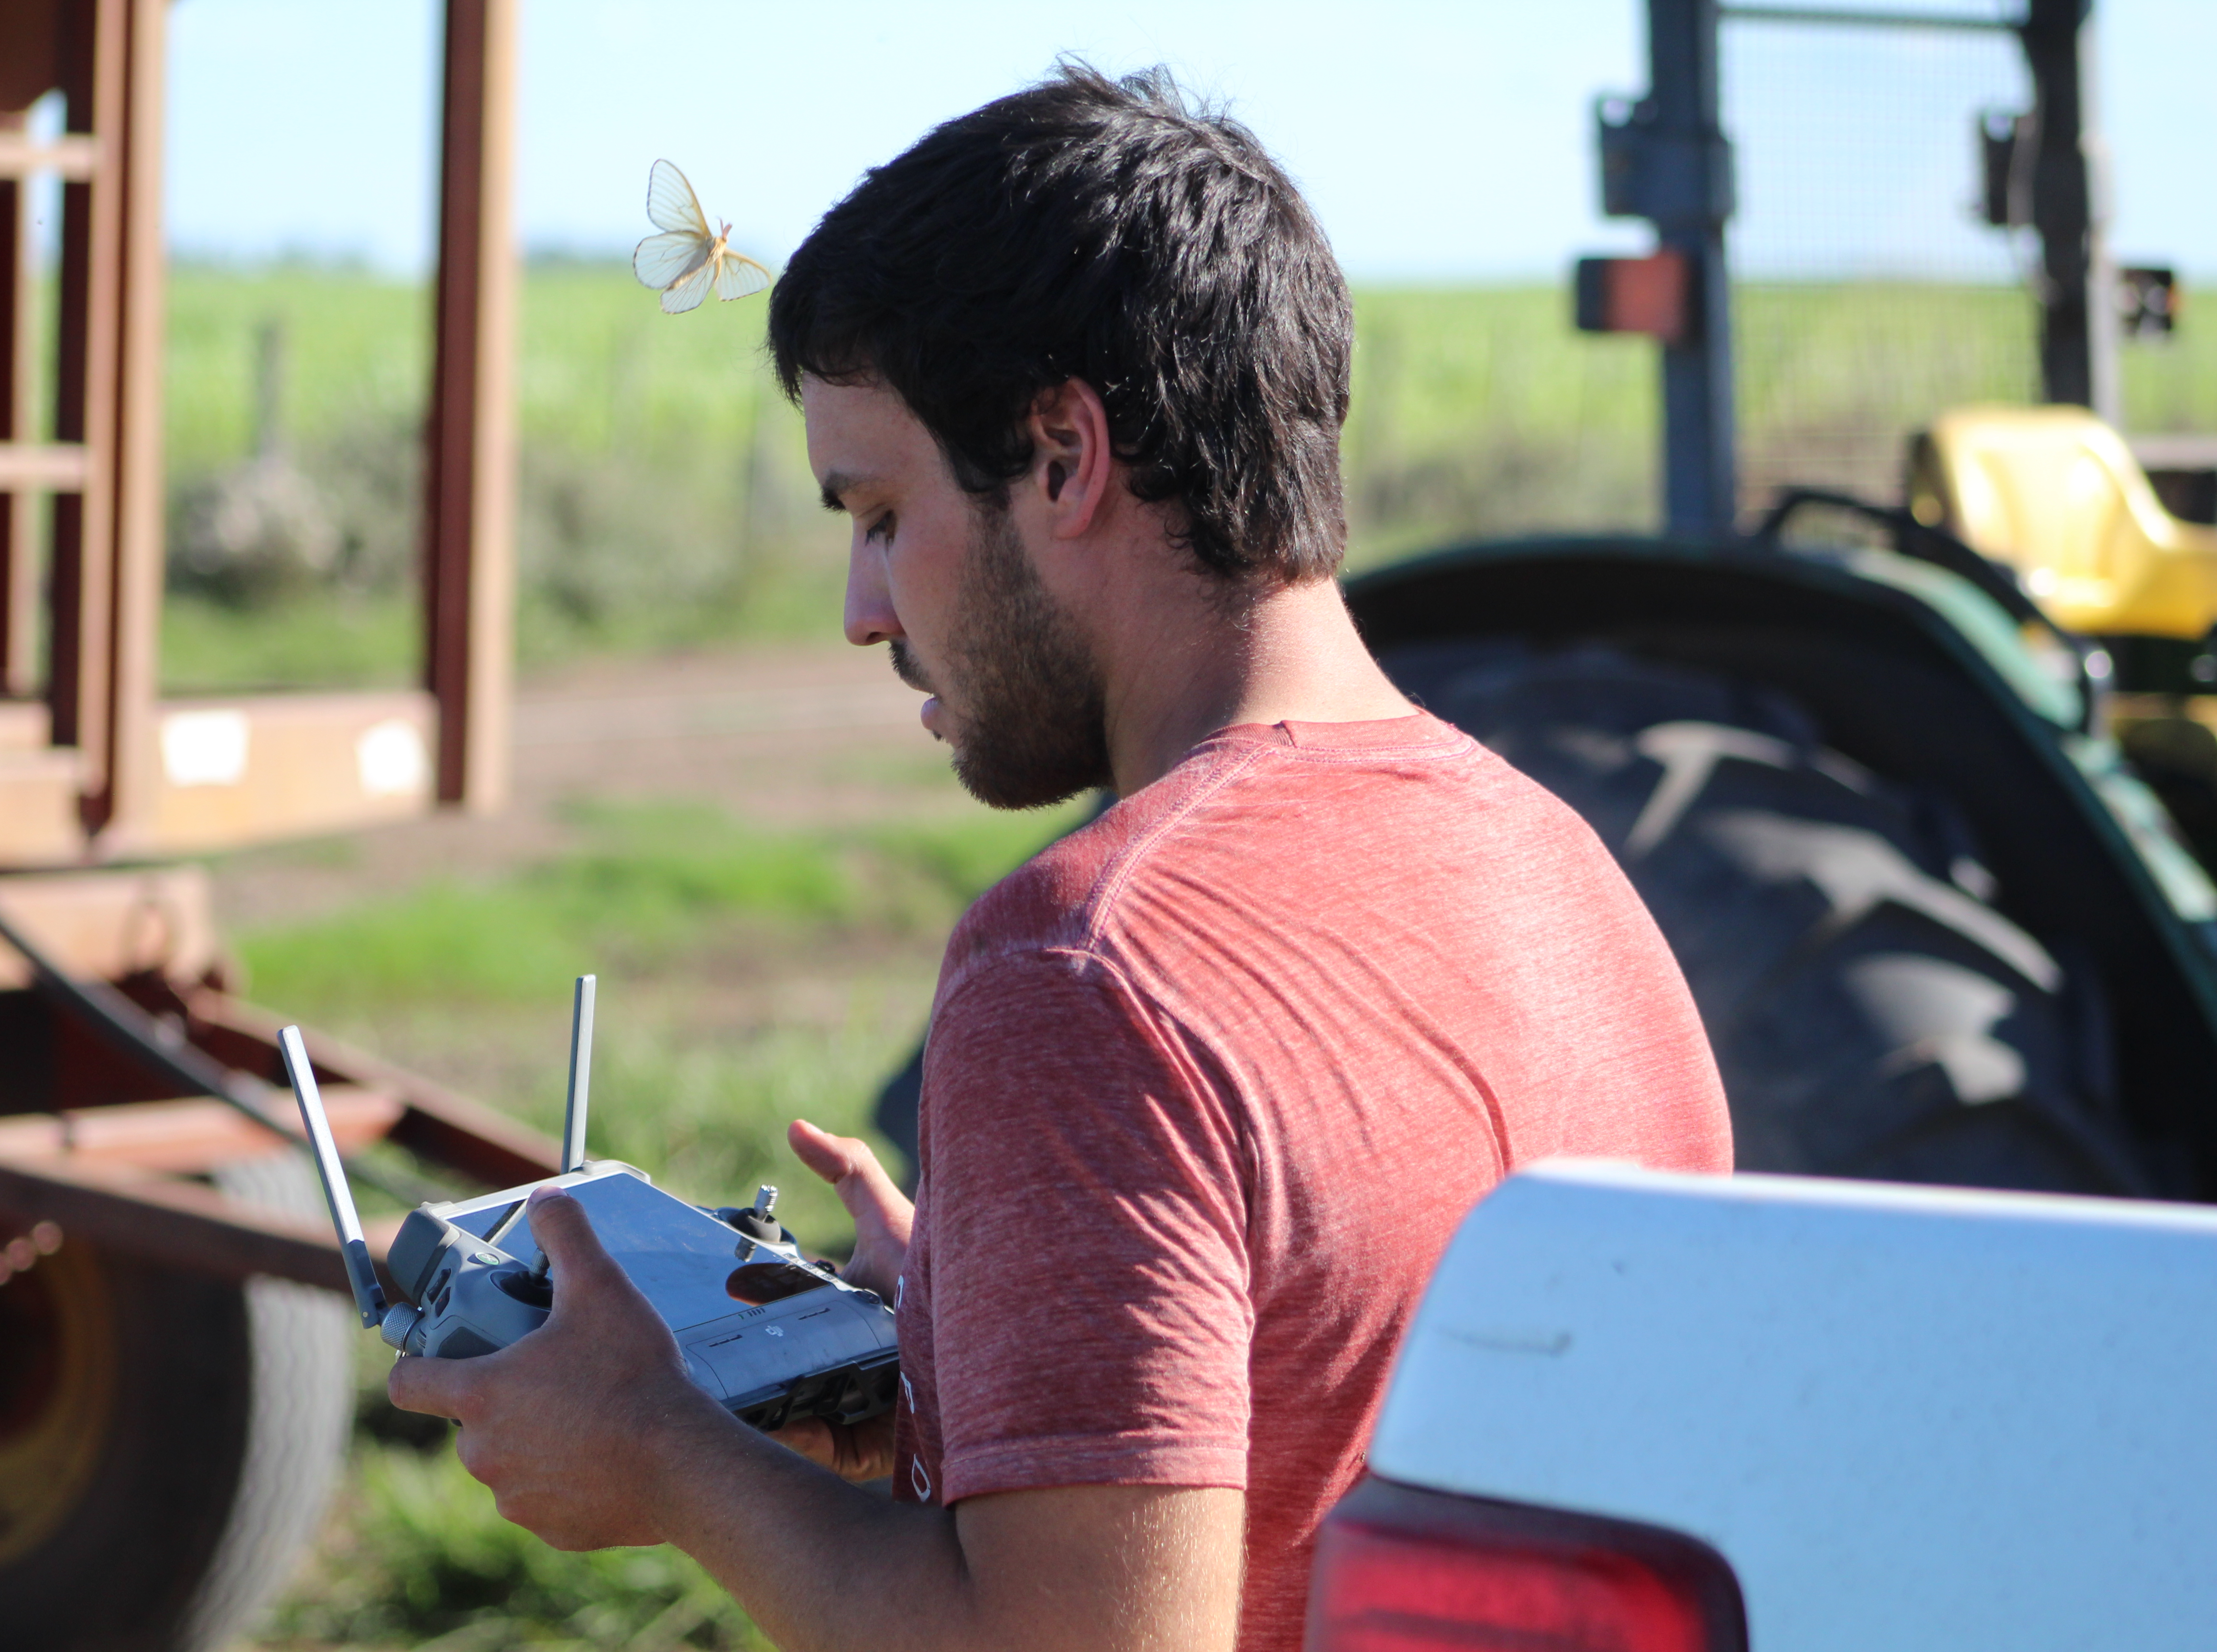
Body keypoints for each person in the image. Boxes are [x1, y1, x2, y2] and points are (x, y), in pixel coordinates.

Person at [388, 65, 1732, 1652]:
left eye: (879, 512)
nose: (863, 611)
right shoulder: (1562, 873)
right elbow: (1335, 1403)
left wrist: (669, 1458)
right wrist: (1003, 1362)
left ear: (1062, 456)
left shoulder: (1089, 971)